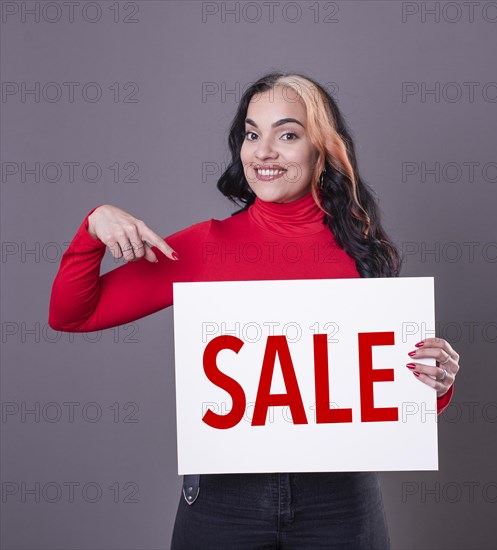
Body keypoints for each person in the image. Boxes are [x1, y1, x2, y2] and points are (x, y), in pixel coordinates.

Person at [49, 71, 460, 549]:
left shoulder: (361, 249)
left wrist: (436, 384)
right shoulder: (206, 246)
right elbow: (72, 314)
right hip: (227, 499)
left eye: (287, 134)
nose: (263, 151)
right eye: (251, 133)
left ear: (321, 149)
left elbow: (384, 395)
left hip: (339, 498)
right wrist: (93, 226)